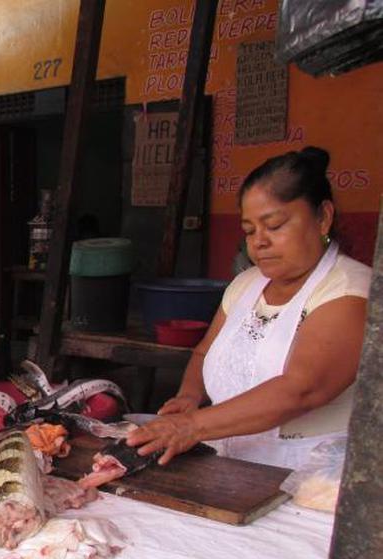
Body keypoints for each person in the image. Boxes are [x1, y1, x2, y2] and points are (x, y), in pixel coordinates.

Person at [128, 147, 370, 469]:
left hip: (310, 477)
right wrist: (189, 396)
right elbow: (203, 353)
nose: (259, 242)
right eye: (250, 230)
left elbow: (302, 389)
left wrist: (191, 426)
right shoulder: (246, 285)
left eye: (275, 225)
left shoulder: (351, 289)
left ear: (323, 217)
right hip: (229, 464)